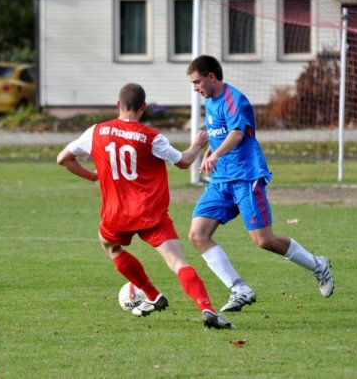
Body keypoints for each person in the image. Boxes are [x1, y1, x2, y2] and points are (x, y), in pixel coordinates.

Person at [57, 83, 233, 330]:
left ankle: (152, 294)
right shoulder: (151, 137)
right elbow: (183, 162)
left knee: (110, 246)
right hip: (151, 213)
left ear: (118, 105)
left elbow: (63, 158)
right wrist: (197, 144)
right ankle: (207, 308)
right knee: (177, 261)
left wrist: (93, 176)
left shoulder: (96, 131)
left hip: (116, 214)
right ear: (143, 108)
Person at [186, 55, 335, 313]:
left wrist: (214, 155)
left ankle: (317, 264)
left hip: (246, 178)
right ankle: (239, 288)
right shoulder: (210, 102)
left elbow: (237, 133)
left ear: (211, 77)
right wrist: (208, 151)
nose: (195, 88)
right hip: (221, 181)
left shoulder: (235, 99)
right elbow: (220, 132)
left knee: (264, 240)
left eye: (197, 81)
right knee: (197, 235)